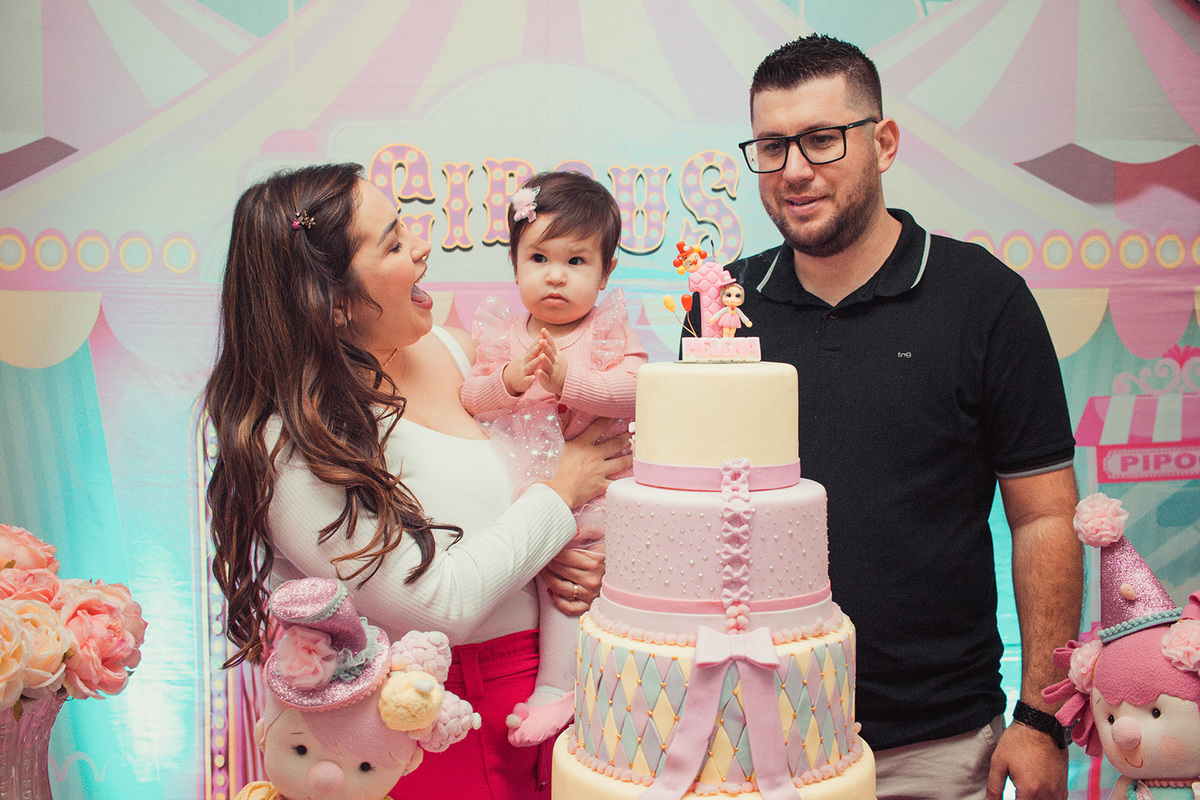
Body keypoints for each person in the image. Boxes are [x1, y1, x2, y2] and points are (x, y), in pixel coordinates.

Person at [693, 34, 1083, 800]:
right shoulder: (721, 307)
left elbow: (1043, 516)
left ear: (884, 142)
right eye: (771, 146)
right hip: (749, 733)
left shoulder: (982, 299)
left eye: (821, 139)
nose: (794, 170)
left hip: (938, 741)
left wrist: (1042, 716)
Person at [204, 163, 631, 800]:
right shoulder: (291, 441)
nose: (423, 246)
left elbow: (530, 494)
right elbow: (438, 604)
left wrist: (578, 558)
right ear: (335, 300)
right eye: (394, 243)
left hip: (549, 698)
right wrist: (560, 495)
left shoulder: (460, 354)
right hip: (416, 725)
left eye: (406, 226)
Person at [460, 170, 647, 747]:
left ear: (606, 272)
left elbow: (637, 389)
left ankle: (559, 686)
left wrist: (571, 382)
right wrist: (508, 382)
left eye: (576, 261)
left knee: (573, 578)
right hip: (523, 490)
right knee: (521, 577)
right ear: (515, 264)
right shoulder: (503, 334)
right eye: (539, 258)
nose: (556, 275)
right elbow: (471, 397)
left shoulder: (607, 329)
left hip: (595, 493)